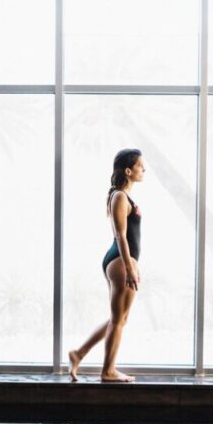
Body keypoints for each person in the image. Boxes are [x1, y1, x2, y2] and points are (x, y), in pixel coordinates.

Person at [67, 148, 145, 383]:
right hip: (122, 262)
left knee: (118, 319)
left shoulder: (122, 196)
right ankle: (108, 372)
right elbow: (121, 235)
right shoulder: (120, 196)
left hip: (121, 261)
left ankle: (79, 353)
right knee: (118, 320)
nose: (144, 170)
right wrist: (130, 268)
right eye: (140, 166)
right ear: (129, 170)